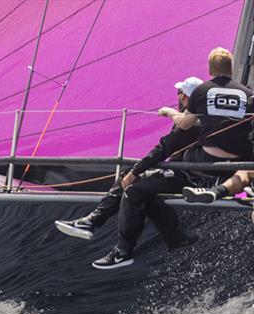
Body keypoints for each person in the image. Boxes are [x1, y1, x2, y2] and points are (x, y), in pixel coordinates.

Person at [92, 48, 253, 269]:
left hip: (203, 164)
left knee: (139, 188)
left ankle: (119, 245)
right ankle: (176, 236)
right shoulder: (248, 93)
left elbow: (183, 126)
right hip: (238, 164)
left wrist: (169, 112)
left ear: (210, 70)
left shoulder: (202, 91)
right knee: (149, 185)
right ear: (231, 68)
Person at [55, 76, 203, 246]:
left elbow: (163, 149)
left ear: (184, 97)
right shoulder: (200, 119)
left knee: (134, 185)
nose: (177, 97)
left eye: (179, 93)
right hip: (185, 172)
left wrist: (135, 172)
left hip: (186, 176)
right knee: (140, 186)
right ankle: (174, 238)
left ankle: (102, 228)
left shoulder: (189, 125)